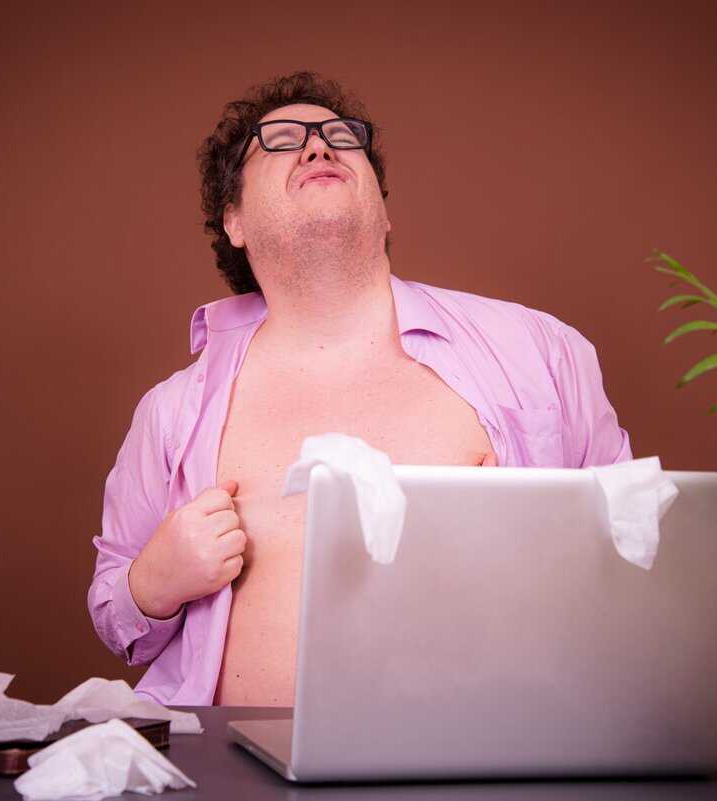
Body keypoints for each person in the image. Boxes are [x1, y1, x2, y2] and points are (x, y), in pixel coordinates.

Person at [87, 71, 631, 707]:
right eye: (281, 141)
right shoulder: (172, 412)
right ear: (233, 220)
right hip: (228, 758)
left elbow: (636, 558)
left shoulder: (540, 352)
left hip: (489, 752)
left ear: (384, 208)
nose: (319, 146)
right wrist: (153, 584)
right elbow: (116, 619)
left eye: (341, 136)